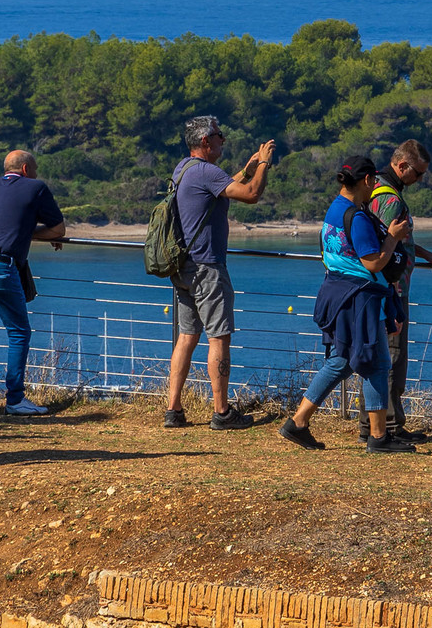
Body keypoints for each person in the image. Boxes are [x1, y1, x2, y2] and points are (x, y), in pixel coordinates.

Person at [281, 155, 412, 454]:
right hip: (359, 299)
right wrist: (392, 238)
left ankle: (298, 422)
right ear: (366, 180)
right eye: (374, 180)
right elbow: (374, 262)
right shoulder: (358, 217)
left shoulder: (334, 209)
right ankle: (378, 437)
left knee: (341, 361)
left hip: (339, 293)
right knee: (376, 363)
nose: (375, 186)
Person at [163, 116, 274, 431]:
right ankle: (222, 412)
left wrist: (247, 169)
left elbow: (224, 188)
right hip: (207, 268)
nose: (223, 140)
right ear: (205, 141)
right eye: (219, 135)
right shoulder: (207, 171)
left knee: (186, 337)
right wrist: (264, 164)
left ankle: (173, 409)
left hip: (184, 267)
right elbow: (251, 194)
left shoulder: (184, 169)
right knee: (219, 337)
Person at [0, 149, 66, 415]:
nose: (37, 174)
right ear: (26, 169)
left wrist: (22, 230)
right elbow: (58, 229)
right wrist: (33, 233)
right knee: (19, 332)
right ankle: (15, 400)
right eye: (35, 169)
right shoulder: (36, 187)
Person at [368, 140, 432, 438]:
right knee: (392, 358)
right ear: (402, 166)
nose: (420, 179)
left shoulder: (375, 187)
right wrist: (391, 293)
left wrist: (423, 253)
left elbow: (395, 239)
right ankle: (389, 427)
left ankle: (373, 425)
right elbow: (383, 244)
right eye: (418, 173)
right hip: (391, 291)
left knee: (379, 357)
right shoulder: (390, 199)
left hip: (379, 289)